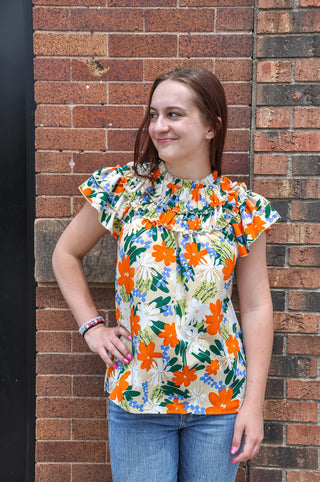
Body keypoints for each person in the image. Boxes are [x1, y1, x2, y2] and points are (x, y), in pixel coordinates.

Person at [52, 67, 280, 482]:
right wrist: (92, 328)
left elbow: (257, 305)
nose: (159, 126)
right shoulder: (124, 189)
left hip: (219, 402)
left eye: (174, 114)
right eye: (153, 115)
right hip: (139, 398)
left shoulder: (240, 207)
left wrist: (253, 404)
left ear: (212, 126)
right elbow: (65, 253)